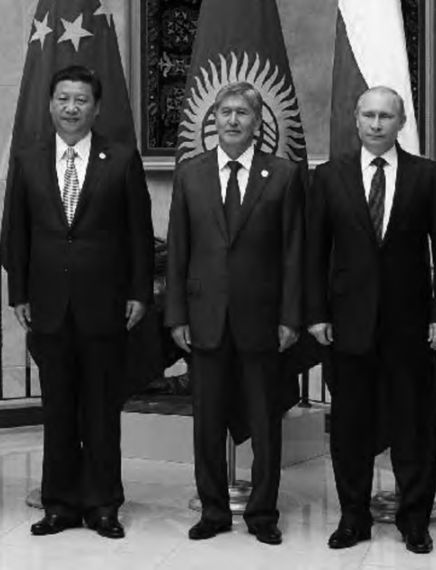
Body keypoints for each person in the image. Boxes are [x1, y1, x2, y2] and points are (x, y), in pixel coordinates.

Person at [3, 65, 154, 540]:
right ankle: (60, 504)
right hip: (47, 306)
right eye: (63, 99)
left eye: (81, 100)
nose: (71, 108)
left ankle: (104, 504)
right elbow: (15, 232)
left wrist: (138, 292)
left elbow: (139, 234)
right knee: (58, 410)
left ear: (96, 107)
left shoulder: (121, 159)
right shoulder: (28, 159)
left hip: (105, 305)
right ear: (50, 104)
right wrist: (18, 292)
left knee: (102, 411)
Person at [307, 86, 436, 555]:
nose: (376, 124)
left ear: (401, 122)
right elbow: (314, 252)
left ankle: (415, 520)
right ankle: (353, 518)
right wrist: (315, 313)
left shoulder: (427, 175)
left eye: (386, 116)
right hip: (347, 325)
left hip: (411, 326)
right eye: (369, 115)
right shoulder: (328, 177)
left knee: (414, 426)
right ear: (356, 120)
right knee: (350, 426)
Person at [165, 82, 303, 546]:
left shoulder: (283, 175)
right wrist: (176, 315)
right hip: (204, 319)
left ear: (257, 122)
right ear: (214, 119)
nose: (232, 120)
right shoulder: (191, 173)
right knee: (206, 423)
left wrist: (290, 317)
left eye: (242, 112)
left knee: (265, 423)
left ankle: (262, 514)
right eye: (225, 111)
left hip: (262, 320)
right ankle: (213, 511)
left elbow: (294, 252)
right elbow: (178, 249)